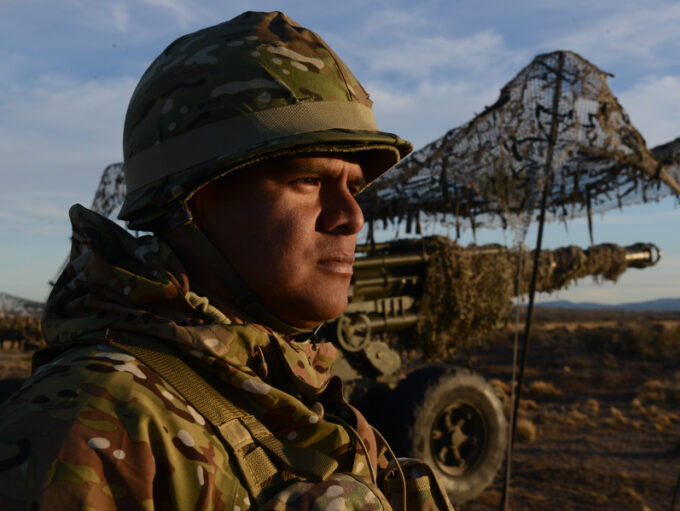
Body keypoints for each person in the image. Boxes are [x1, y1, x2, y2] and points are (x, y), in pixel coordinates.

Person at [0, 11, 452, 511]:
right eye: (308, 180)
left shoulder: (292, 389)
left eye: (354, 188)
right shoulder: (89, 429)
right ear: (191, 200)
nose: (352, 217)